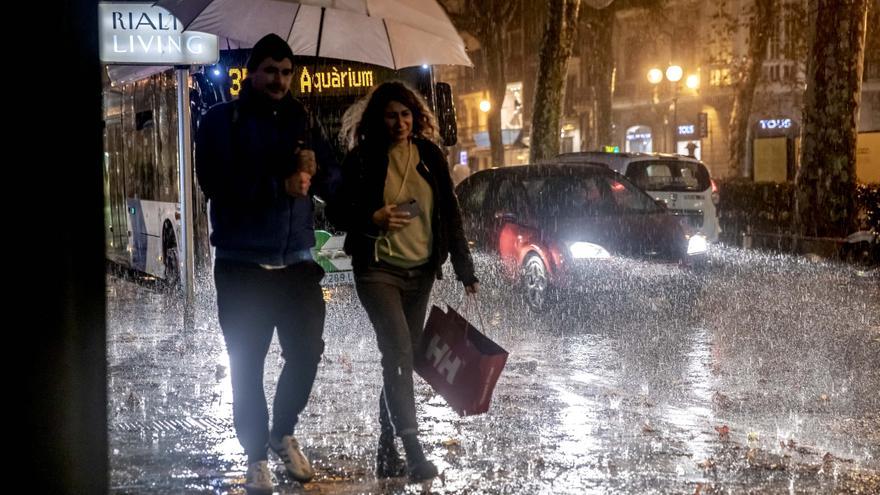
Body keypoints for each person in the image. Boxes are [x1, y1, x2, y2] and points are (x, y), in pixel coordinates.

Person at [195, 33, 339, 492]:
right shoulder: (221, 121)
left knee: (307, 352)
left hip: (297, 262)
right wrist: (280, 185)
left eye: (286, 72)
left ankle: (282, 432)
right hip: (242, 265)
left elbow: (332, 179)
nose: (279, 80)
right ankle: (256, 454)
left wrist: (320, 171)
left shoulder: (303, 121)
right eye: (271, 71)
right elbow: (217, 183)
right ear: (252, 73)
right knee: (247, 364)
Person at [327, 81, 479, 483]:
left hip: (420, 273)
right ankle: (413, 452)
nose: (399, 122)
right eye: (392, 115)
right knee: (396, 352)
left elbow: (450, 212)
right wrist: (371, 218)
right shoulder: (362, 159)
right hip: (377, 271)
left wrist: (465, 269)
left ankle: (385, 444)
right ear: (379, 119)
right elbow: (338, 211)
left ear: (417, 118)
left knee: (404, 359)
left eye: (406, 114)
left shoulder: (429, 155)